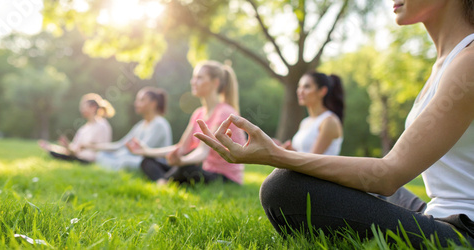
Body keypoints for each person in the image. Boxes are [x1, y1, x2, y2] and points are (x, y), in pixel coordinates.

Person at [194, 0, 474, 247]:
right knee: (336, 183)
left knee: (283, 186)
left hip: (462, 233)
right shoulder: (447, 62)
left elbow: (389, 174)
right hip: (435, 212)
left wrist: (276, 156)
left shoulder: (469, 62)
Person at [127, 60, 246, 185]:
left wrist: (182, 161)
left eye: (199, 78)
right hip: (205, 169)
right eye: (194, 77)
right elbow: (181, 147)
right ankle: (164, 180)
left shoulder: (224, 112)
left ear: (215, 83)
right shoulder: (199, 113)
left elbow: (203, 152)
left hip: (224, 177)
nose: (193, 82)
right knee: (147, 161)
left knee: (188, 168)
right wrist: (146, 151)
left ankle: (163, 181)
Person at [84, 87, 172, 171]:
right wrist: (94, 146)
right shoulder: (140, 125)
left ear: (153, 103)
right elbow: (120, 145)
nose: (136, 103)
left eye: (141, 100)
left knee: (125, 161)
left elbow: (142, 152)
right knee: (101, 155)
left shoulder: (159, 124)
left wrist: (122, 154)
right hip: (135, 159)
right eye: (137, 100)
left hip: (152, 165)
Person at [278, 72, 344, 155]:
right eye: (299, 87)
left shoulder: (329, 122)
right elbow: (303, 156)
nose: (300, 91)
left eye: (306, 87)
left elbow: (312, 161)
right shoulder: (305, 122)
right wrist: (285, 149)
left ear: (322, 91)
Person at [38, 93, 114, 163]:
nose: (81, 110)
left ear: (93, 108)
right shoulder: (83, 129)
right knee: (55, 152)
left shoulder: (102, 125)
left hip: (91, 159)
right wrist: (63, 145)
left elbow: (104, 148)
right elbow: (74, 149)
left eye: (84, 107)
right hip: (78, 157)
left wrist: (85, 146)